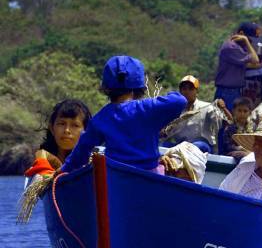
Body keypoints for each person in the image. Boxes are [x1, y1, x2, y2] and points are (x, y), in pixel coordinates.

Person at [59, 56, 187, 174]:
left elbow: (82, 150)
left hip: (115, 176)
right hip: (149, 175)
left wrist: (63, 170)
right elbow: (180, 101)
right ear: (139, 86)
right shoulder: (148, 108)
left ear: (107, 87)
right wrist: (171, 93)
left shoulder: (101, 118)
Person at [24, 100, 92, 187]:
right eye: (62, 124)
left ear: (86, 131)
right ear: (52, 128)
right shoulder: (43, 158)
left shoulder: (92, 163)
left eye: (75, 125)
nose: (67, 130)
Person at [162, 75, 231, 154]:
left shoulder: (206, 107)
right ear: (180, 91)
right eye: (184, 89)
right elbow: (165, 133)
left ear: (196, 91)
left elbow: (228, 121)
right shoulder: (175, 110)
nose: (187, 92)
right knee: (162, 145)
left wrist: (223, 108)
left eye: (190, 89)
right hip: (180, 145)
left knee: (198, 145)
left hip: (200, 144)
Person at [214, 22, 261, 112]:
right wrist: (246, 41)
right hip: (228, 92)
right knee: (227, 122)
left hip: (234, 91)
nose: (251, 42)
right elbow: (255, 60)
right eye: (249, 39)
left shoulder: (239, 47)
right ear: (241, 34)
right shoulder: (231, 47)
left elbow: (251, 63)